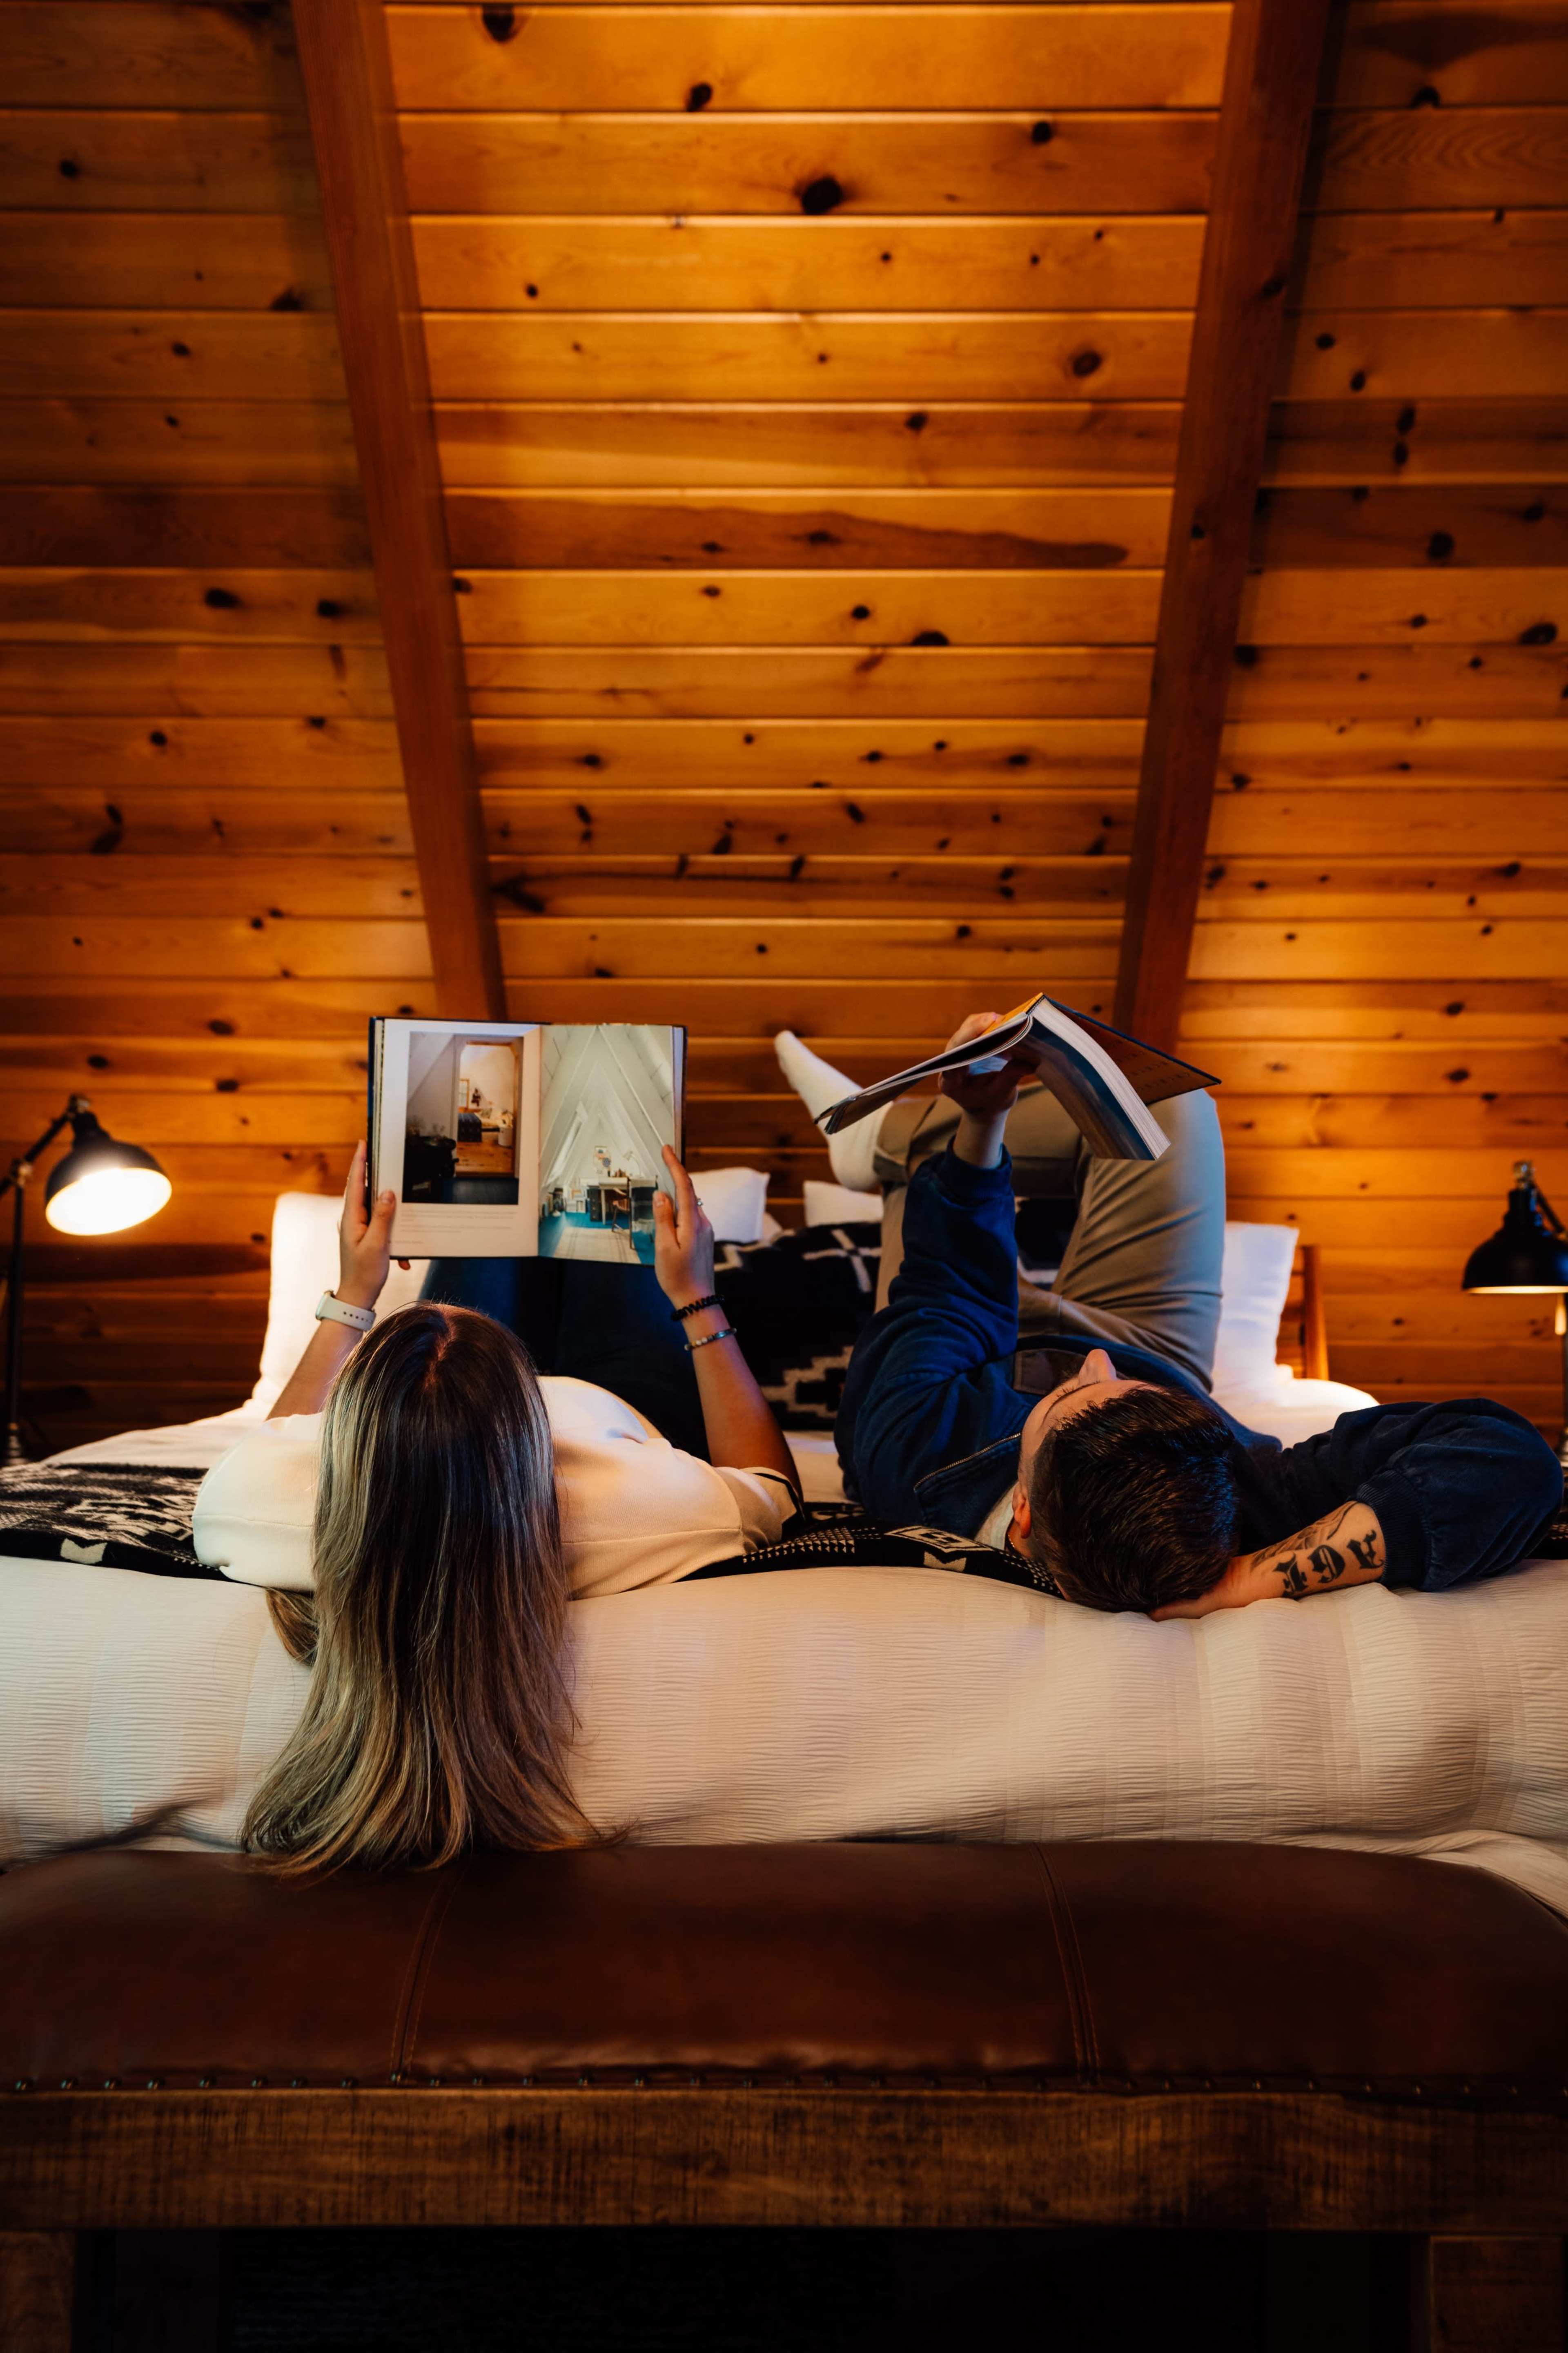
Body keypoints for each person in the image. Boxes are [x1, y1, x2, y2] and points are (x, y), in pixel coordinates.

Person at [808, 1015, 1563, 1617]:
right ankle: (908, 1147)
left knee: (943, 1229)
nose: (1093, 1364)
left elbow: (950, 1287)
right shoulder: (1242, 1493)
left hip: (964, 1350)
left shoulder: (916, 1450)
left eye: (1067, 1396)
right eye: (1099, 1384)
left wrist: (984, 1117)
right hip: (1156, 1343)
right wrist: (1247, 1582)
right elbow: (1510, 1459)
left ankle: (884, 1140)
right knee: (1169, 1103)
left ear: (1024, 1511)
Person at [193, 1142, 799, 1876]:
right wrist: (696, 1296)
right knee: (592, 1182)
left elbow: (278, 1441)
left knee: (491, 1198)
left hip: (466, 1405)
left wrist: (356, 1291)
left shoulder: (255, 1508)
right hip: (629, 1398)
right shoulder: (637, 1506)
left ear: (352, 1421)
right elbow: (771, 1487)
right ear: (533, 1399)